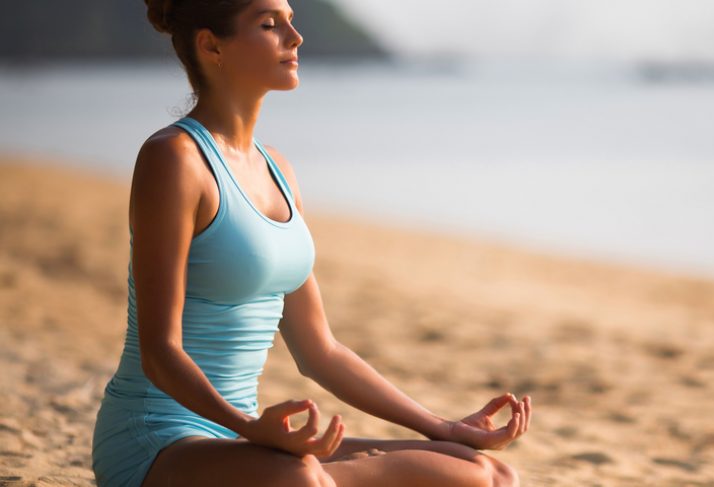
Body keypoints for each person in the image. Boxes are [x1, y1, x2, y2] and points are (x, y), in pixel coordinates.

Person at [90, 1, 532, 485]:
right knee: (302, 479)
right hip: (161, 438)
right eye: (269, 24)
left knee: (485, 471)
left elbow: (320, 349)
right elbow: (161, 352)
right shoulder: (174, 159)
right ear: (211, 45)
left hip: (248, 441)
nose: (295, 37)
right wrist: (251, 427)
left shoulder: (278, 170)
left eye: (291, 20)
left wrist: (443, 427)